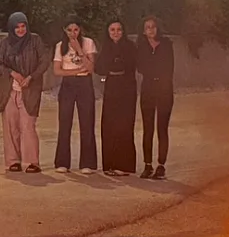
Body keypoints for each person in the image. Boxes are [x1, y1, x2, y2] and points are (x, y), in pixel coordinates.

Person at [0, 12, 48, 174]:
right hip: (9, 90)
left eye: (23, 26)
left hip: (29, 90)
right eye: (17, 27)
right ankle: (13, 161)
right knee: (11, 127)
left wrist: (31, 77)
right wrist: (13, 73)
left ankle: (32, 162)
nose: (20, 30)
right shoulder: (6, 43)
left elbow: (44, 61)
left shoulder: (35, 41)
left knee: (28, 126)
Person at [52, 17, 98, 174]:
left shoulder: (89, 43)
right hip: (68, 84)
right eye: (69, 30)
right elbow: (57, 71)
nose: (73, 33)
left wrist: (79, 49)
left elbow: (91, 68)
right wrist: (76, 71)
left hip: (85, 84)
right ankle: (62, 162)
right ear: (65, 30)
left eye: (76, 30)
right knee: (65, 123)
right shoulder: (60, 46)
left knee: (87, 122)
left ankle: (88, 163)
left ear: (80, 30)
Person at [97, 20, 138, 177]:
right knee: (109, 125)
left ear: (123, 31)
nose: (115, 33)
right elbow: (99, 68)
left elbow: (132, 66)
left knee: (125, 124)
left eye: (119, 29)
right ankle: (109, 165)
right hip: (111, 88)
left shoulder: (130, 47)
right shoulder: (106, 48)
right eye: (112, 29)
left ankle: (124, 165)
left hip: (127, 88)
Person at [136, 16, 174, 180]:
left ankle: (161, 165)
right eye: (147, 27)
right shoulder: (142, 46)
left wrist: (158, 76)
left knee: (162, 128)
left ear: (158, 28)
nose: (150, 30)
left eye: (153, 27)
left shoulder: (166, 44)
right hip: (148, 88)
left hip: (164, 89)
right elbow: (140, 67)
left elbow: (169, 67)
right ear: (143, 30)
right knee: (147, 128)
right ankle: (147, 165)